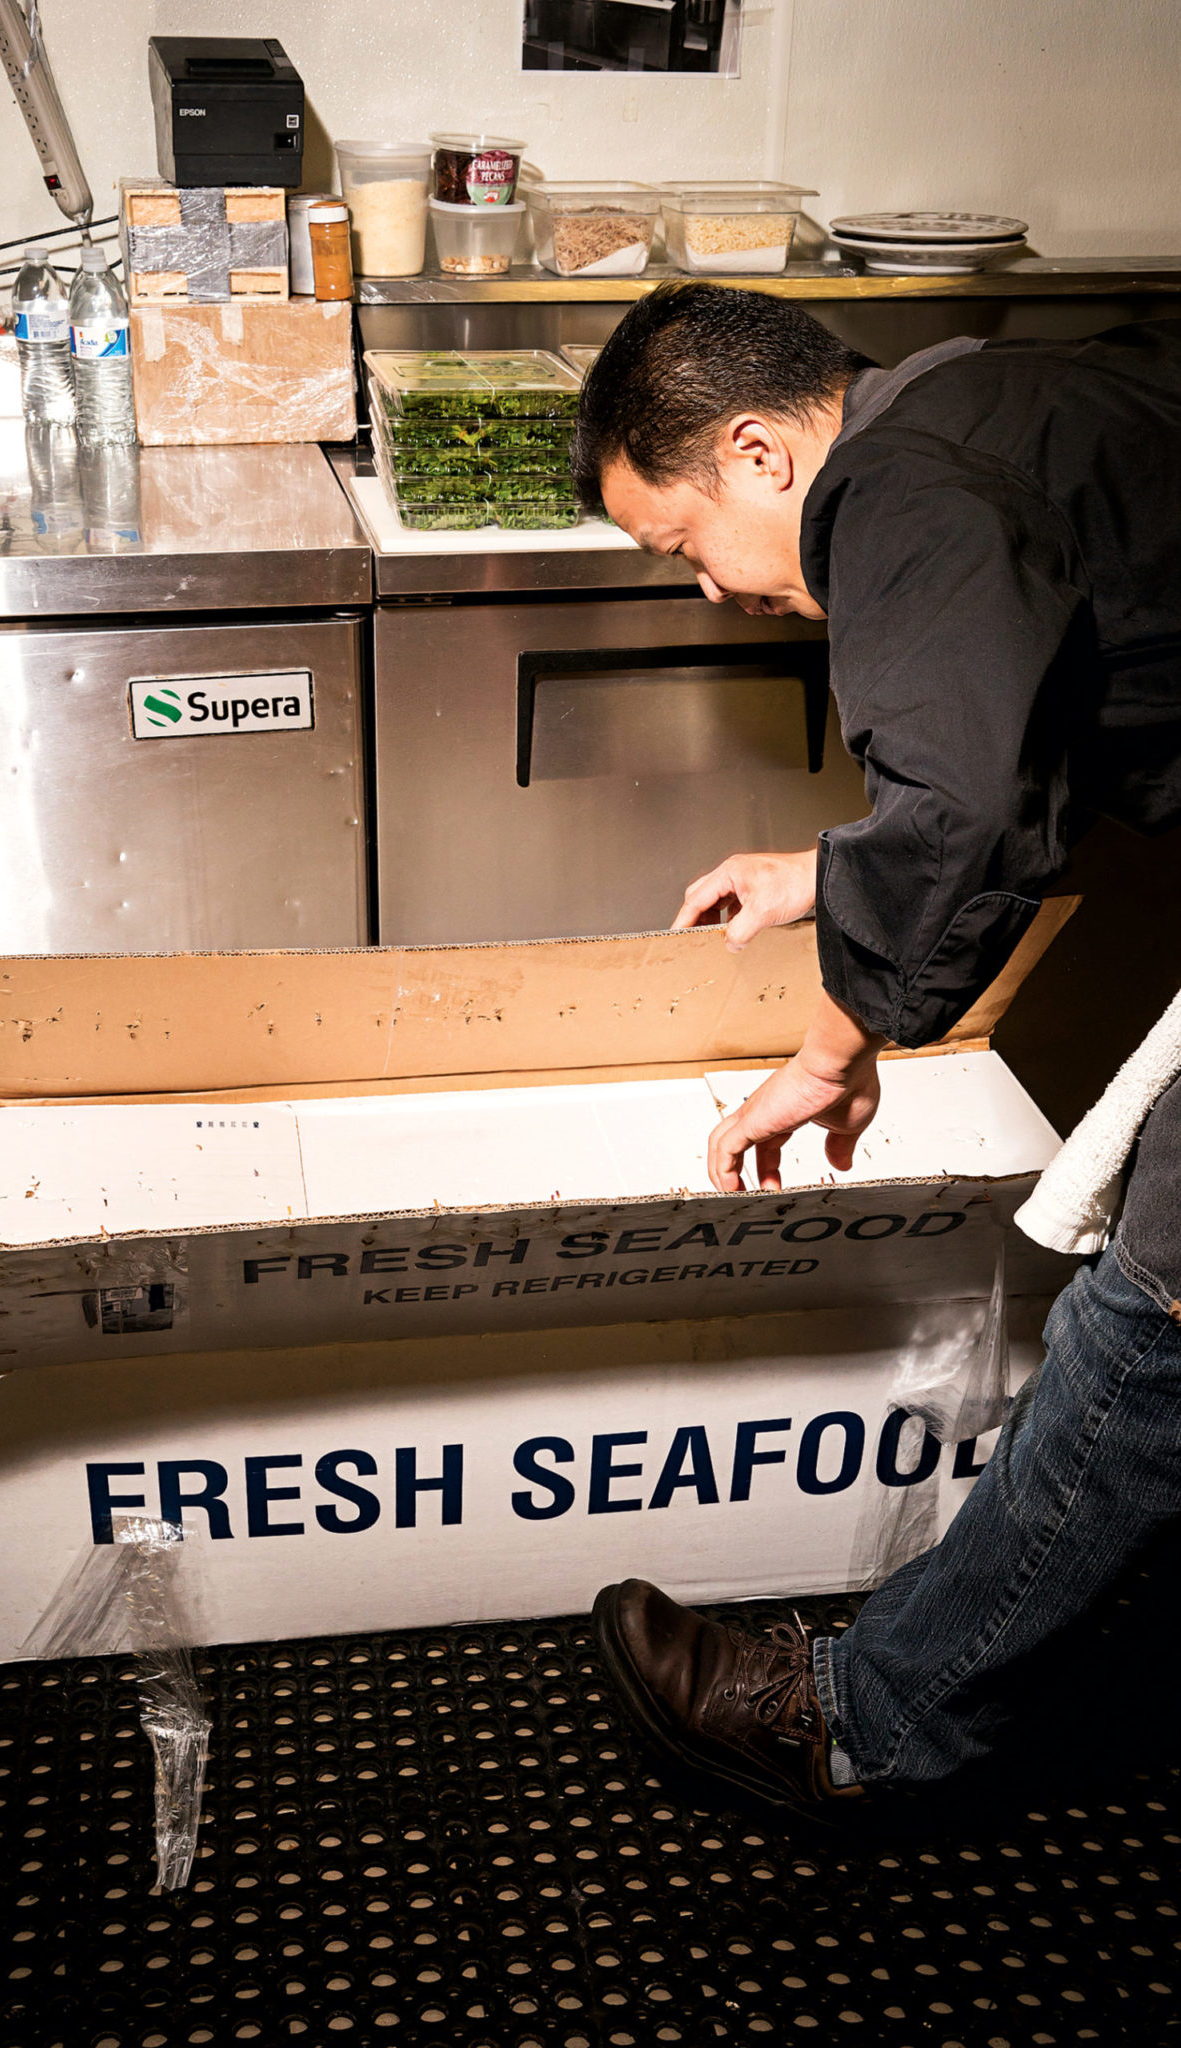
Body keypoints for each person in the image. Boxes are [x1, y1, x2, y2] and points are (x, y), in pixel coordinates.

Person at [571, 284, 1181, 1817]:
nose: (705, 590)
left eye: (678, 544)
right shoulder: (990, 390)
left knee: (1158, 1309)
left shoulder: (890, 495)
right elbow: (1034, 725)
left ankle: (867, 1725)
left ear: (761, 452)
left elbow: (968, 817)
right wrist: (825, 868)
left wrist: (833, 1044)